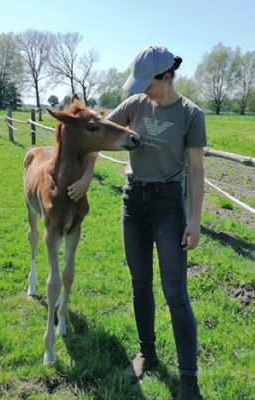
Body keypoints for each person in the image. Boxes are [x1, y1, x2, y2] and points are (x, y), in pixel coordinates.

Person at [66, 45, 205, 400]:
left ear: (167, 76)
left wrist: (196, 220)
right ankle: (147, 352)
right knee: (139, 282)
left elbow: (198, 171)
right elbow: (97, 133)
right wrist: (85, 177)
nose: (144, 89)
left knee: (175, 293)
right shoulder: (135, 105)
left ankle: (188, 378)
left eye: (149, 83)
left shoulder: (191, 114)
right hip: (134, 202)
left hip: (168, 205)